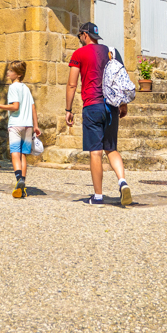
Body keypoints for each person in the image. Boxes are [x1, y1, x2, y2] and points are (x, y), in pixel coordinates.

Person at [64, 23, 130, 207]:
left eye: (80, 36)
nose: (80, 39)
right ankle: (122, 182)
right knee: (111, 149)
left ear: (85, 35)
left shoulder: (79, 54)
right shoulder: (111, 52)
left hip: (92, 106)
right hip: (111, 106)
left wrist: (68, 110)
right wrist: (123, 104)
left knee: (96, 152)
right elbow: (120, 80)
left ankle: (98, 197)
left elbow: (71, 84)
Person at [3, 60, 37, 199]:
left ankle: (19, 180)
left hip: (16, 124)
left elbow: (15, 107)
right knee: (23, 155)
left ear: (18, 74)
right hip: (28, 125)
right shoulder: (26, 88)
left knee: (15, 153)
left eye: (11, 71)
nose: (8, 72)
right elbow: (33, 107)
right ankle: (23, 186)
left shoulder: (13, 87)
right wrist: (36, 125)